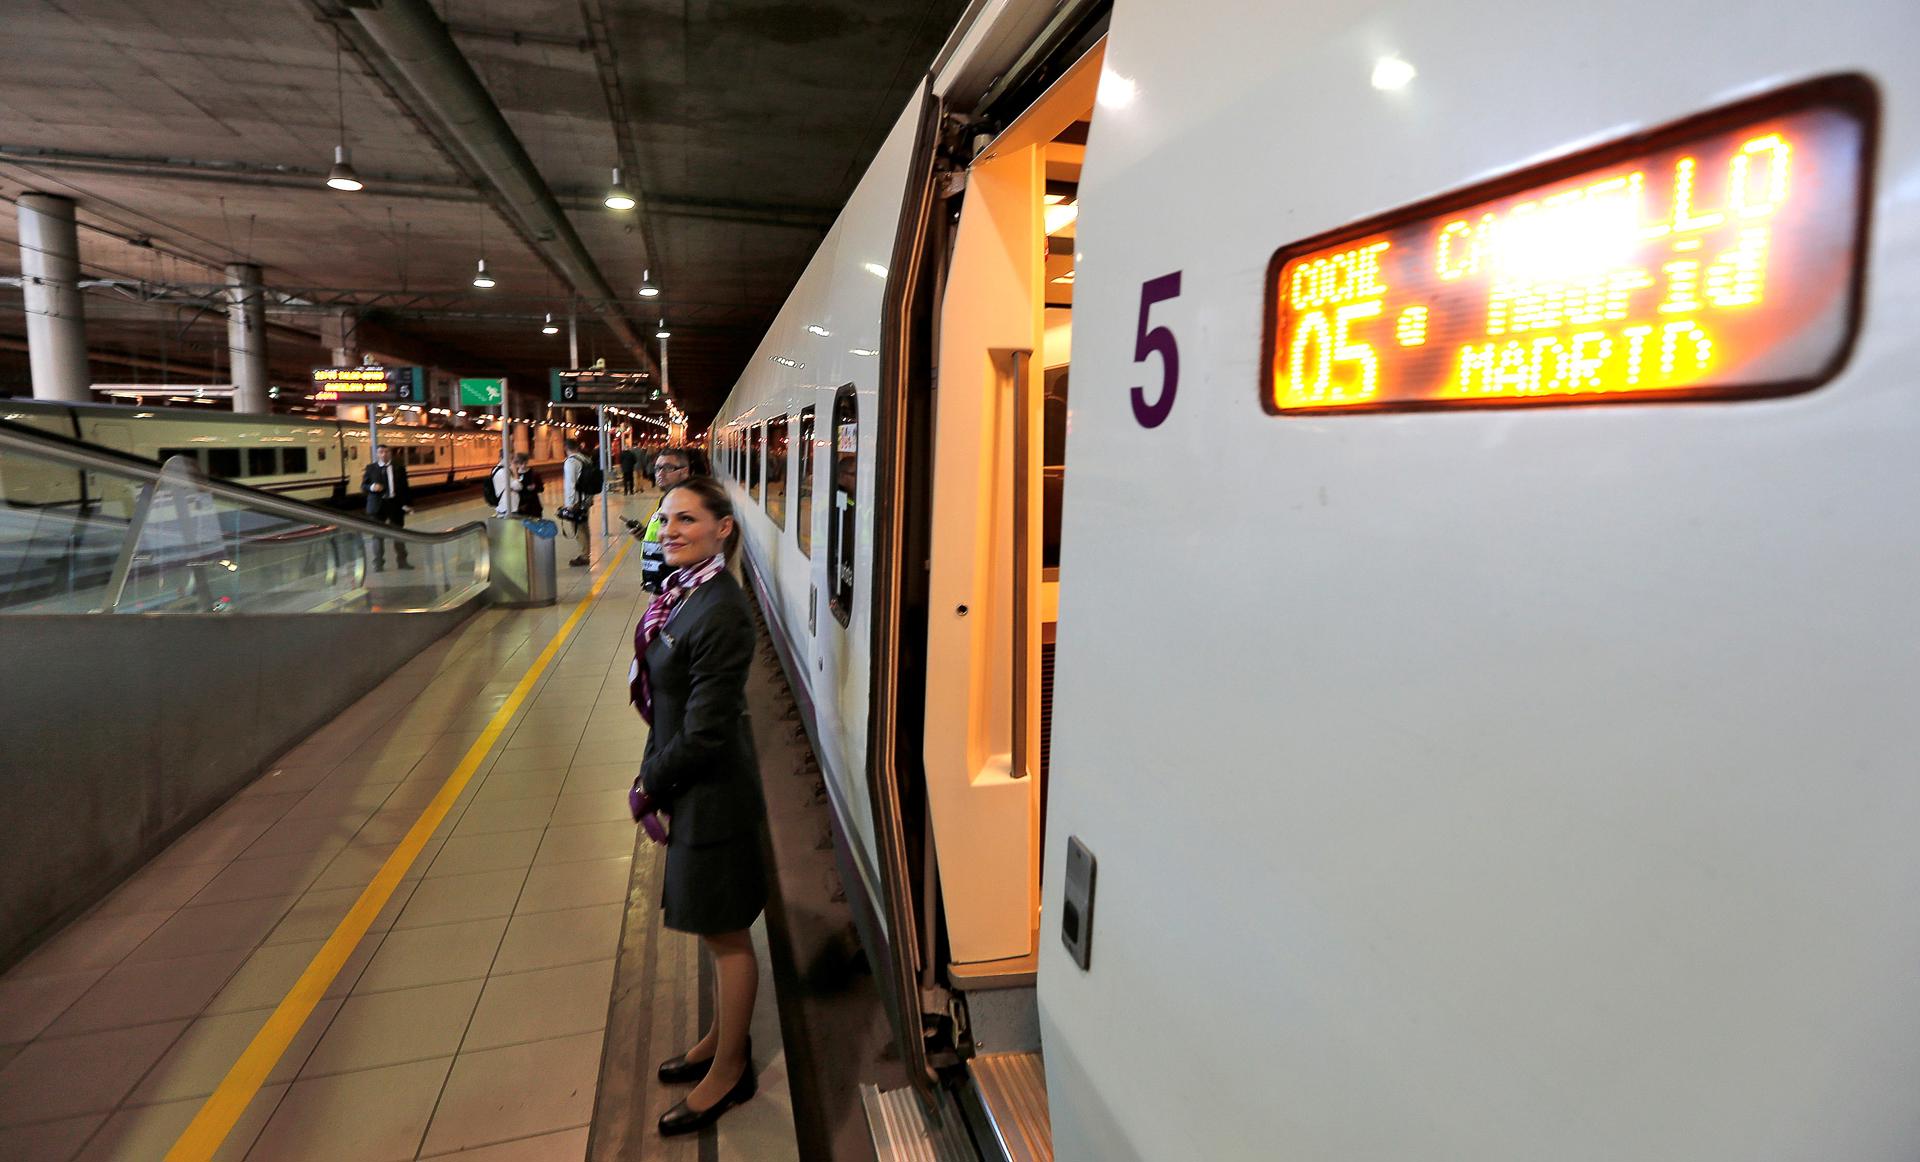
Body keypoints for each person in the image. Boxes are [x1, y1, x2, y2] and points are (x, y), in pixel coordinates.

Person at [630, 477, 766, 1136]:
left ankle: (731, 1071)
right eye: (665, 520)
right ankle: (719, 1038)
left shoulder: (720, 609)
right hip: (693, 787)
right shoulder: (684, 596)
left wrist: (649, 783)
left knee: (725, 935)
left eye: (687, 518)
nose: (671, 530)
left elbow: (707, 731)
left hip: (714, 794)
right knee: (716, 928)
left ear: (723, 528)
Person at [631, 448, 692, 593]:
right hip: (661, 581)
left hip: (675, 585)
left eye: (668, 468)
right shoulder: (666, 499)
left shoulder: (689, 503)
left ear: (684, 471)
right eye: (657, 468)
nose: (660, 473)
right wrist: (644, 534)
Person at [362, 443, 413, 570]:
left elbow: (405, 488)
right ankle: (378, 564)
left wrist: (408, 504)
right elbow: (364, 486)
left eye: (386, 452)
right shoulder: (371, 468)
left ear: (390, 453)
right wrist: (372, 487)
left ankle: (402, 562)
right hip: (377, 506)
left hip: (395, 504)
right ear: (377, 454)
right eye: (381, 452)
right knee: (378, 536)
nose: (384, 454)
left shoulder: (399, 468)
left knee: (399, 534)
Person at [561, 438, 595, 567]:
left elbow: (571, 484)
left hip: (576, 501)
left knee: (577, 528)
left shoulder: (571, 462)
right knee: (584, 526)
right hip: (586, 499)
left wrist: (570, 504)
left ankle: (584, 556)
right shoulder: (585, 459)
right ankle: (586, 552)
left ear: (566, 448)